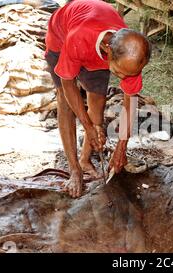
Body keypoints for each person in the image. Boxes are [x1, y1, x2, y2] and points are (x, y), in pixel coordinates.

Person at [45, 0, 151, 198]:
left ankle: (85, 160)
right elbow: (68, 85)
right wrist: (87, 127)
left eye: (129, 75)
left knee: (98, 105)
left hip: (93, 47)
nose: (123, 79)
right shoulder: (79, 38)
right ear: (107, 50)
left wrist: (122, 147)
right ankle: (75, 169)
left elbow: (131, 104)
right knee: (66, 103)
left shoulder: (130, 52)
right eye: (119, 73)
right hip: (62, 38)